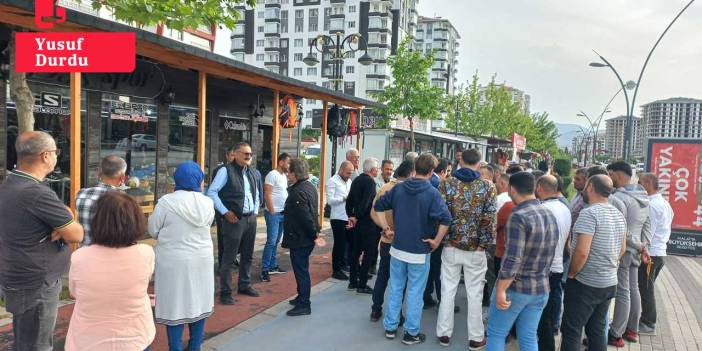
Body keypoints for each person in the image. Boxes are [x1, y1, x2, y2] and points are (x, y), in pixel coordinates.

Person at [0, 131, 84, 351]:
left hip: (19, 275)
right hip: (37, 283)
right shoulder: (37, 194)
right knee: (37, 344)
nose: (57, 156)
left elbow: (63, 218)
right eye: (56, 151)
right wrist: (64, 222)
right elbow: (76, 234)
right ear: (46, 156)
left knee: (25, 338)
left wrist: (61, 219)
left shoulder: (11, 183)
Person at [374, 154, 452, 345]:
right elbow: (446, 219)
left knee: (396, 288)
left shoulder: (399, 188)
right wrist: (436, 240)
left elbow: (378, 206)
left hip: (397, 248)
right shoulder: (433, 193)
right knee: (416, 292)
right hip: (419, 250)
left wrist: (385, 228)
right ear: (432, 171)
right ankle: (411, 333)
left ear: (414, 168)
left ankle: (391, 327)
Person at [65, 192, 155, 350]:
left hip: (88, 341)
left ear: (97, 221)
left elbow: (74, 292)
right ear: (136, 220)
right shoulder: (145, 253)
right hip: (135, 338)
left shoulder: (80, 257)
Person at [486, 172, 558, 351]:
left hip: (516, 288)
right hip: (541, 287)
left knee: (496, 333)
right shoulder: (548, 212)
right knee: (529, 336)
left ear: (511, 189)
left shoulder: (518, 216)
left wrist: (501, 289)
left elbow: (513, 258)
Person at [148, 162, 215, 351]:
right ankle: (195, 346)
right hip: (201, 260)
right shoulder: (207, 203)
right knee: (199, 302)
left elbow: (152, 230)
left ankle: (175, 347)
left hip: (173, 261)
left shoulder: (166, 202)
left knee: (174, 304)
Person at [436, 149, 496, 349]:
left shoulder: (446, 184)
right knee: (475, 295)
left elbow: (441, 215)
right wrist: (482, 246)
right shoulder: (488, 186)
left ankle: (444, 334)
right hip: (476, 250)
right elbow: (489, 219)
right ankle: (476, 338)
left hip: (451, 246)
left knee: (447, 290)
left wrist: (444, 240)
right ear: (479, 164)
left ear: (460, 160)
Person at [560, 175, 627, 351]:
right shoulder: (618, 214)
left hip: (585, 283)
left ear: (590, 187)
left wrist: (572, 273)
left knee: (572, 330)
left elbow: (582, 253)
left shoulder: (589, 214)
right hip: (609, 282)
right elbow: (622, 249)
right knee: (597, 330)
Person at [206, 142, 261, 305]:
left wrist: (255, 211)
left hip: (250, 219)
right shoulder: (225, 170)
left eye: (250, 154)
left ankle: (244, 284)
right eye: (245, 154)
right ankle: (225, 291)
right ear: (235, 154)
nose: (248, 157)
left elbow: (255, 193)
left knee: (248, 255)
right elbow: (212, 192)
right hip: (234, 220)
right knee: (229, 258)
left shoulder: (251, 171)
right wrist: (225, 212)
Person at [607, 161, 651, 346]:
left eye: (609, 174)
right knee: (633, 289)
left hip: (625, 249)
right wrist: (643, 245)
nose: (608, 179)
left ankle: (616, 332)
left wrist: (639, 245)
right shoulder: (643, 197)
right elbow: (647, 224)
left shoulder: (620, 198)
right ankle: (632, 329)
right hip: (636, 248)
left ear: (617, 174)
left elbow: (622, 229)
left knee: (624, 291)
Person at [370, 160, 415, 322]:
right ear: (411, 173)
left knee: (382, 275)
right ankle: (397, 315)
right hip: (401, 243)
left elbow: (373, 211)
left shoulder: (384, 188)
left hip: (385, 239)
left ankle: (375, 310)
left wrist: (384, 228)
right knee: (400, 281)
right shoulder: (408, 191)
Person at [535, 175, 572, 351]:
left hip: (544, 269)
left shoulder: (542, 209)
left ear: (540, 188)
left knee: (541, 318)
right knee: (547, 315)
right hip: (557, 267)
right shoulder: (565, 208)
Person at [282, 158, 323, 316]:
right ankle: (301, 297)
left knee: (301, 271)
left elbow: (305, 216)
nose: (287, 175)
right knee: (301, 269)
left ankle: (304, 303)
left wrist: (314, 234)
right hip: (304, 236)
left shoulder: (298, 191)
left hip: (301, 238)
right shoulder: (309, 186)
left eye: (289, 172)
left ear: (294, 173)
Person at [637, 173, 673, 335]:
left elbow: (647, 233)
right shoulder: (664, 203)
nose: (638, 185)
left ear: (648, 185)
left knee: (646, 289)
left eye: (640, 183)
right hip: (659, 252)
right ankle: (644, 319)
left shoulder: (651, 205)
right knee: (645, 288)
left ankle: (648, 323)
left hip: (650, 254)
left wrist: (641, 248)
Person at [346, 158, 381, 294]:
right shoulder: (370, 182)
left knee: (355, 252)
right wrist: (357, 216)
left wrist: (351, 215)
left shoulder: (356, 180)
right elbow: (366, 202)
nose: (377, 171)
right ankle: (362, 284)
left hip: (356, 222)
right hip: (367, 222)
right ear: (373, 170)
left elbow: (349, 200)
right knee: (368, 253)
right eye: (376, 168)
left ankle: (352, 281)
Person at [76, 155, 127, 246]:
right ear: (122, 177)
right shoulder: (122, 200)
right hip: (110, 255)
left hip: (83, 254)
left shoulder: (81, 194)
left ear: (98, 172)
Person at [424, 157, 452, 310]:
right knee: (438, 268)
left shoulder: (430, 182)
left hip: (428, 230)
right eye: (447, 172)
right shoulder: (438, 184)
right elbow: (444, 215)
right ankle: (442, 299)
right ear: (442, 171)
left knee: (429, 267)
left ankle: (427, 296)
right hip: (436, 232)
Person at [261, 153, 291, 282]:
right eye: (288, 163)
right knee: (271, 242)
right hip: (274, 214)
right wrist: (272, 211)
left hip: (282, 213)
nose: (289, 166)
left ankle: (273, 266)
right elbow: (267, 194)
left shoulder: (284, 176)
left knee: (276, 241)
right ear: (280, 162)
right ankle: (264, 270)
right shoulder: (272, 175)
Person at [327, 161, 354, 280]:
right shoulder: (333, 181)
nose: (349, 175)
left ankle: (344, 264)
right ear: (341, 170)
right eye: (348, 173)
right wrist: (344, 198)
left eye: (351, 173)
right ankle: (336, 269)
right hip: (337, 217)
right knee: (339, 244)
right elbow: (330, 201)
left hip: (347, 216)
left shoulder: (349, 181)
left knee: (348, 244)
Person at [213, 146, 237, 266]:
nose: (234, 158)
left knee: (236, 237)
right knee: (223, 237)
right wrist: (223, 210)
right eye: (232, 155)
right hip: (223, 209)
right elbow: (214, 192)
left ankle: (233, 259)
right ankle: (223, 263)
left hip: (237, 210)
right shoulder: (220, 170)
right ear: (227, 156)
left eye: (235, 155)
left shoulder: (242, 170)